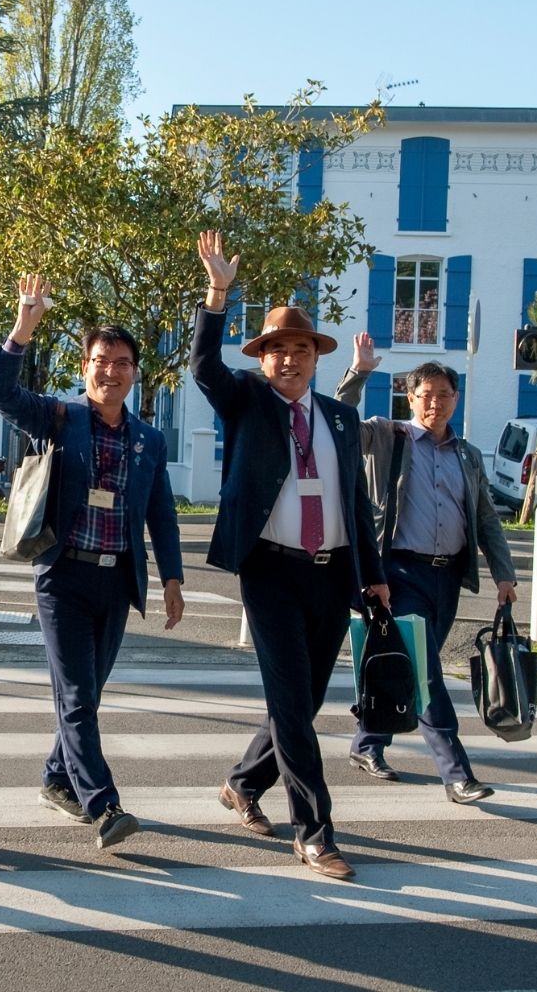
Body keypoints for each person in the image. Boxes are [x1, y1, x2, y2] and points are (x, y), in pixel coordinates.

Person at [191, 230, 389, 882]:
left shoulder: (337, 418)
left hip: (332, 576)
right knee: (290, 702)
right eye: (277, 350)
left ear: (315, 359)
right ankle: (314, 832)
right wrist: (217, 295)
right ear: (264, 358)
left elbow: (357, 505)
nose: (289, 360)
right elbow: (204, 369)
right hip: (271, 570)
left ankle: (242, 783)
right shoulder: (247, 401)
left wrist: (376, 578)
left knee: (297, 708)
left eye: (301, 350)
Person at [0, 275, 185, 850]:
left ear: (134, 371)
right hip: (63, 576)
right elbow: (3, 393)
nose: (111, 371)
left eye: (122, 362)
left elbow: (162, 513)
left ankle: (56, 778)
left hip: (116, 578)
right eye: (101, 361)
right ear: (85, 367)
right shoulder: (59, 418)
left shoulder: (149, 438)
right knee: (75, 696)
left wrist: (172, 577)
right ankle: (104, 805)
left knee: (87, 695)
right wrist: (23, 330)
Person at [336, 333, 520, 803]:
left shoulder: (468, 454)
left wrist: (504, 575)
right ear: (410, 398)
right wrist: (359, 372)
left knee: (411, 669)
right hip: (398, 575)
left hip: (447, 576)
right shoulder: (386, 435)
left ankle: (367, 742)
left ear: (455, 399)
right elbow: (340, 422)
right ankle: (457, 774)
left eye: (444, 395)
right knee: (428, 672)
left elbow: (484, 518)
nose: (435, 403)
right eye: (425, 395)